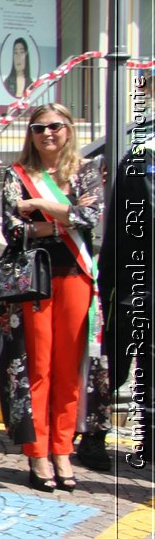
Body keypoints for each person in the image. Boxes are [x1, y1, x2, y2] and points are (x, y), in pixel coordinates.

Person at [0, 103, 104, 492]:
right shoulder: (16, 174)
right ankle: (38, 451)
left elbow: (90, 218)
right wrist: (64, 217)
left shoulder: (87, 171)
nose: (47, 134)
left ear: (69, 129)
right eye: (39, 127)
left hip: (75, 276)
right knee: (37, 366)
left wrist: (41, 208)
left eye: (56, 127)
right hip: (33, 281)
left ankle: (62, 449)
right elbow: (14, 231)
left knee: (68, 365)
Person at [95, 132, 154, 469]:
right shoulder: (141, 159)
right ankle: (93, 436)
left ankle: (148, 440)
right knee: (115, 365)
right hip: (131, 280)